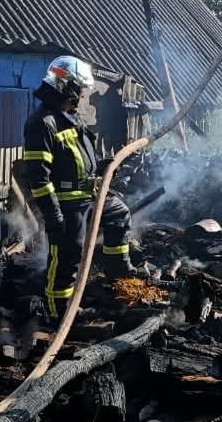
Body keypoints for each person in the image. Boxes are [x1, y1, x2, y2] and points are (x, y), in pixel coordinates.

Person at [23, 55, 137, 320]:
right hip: (67, 203)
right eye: (82, 89)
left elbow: (79, 160)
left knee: (119, 214)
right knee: (67, 254)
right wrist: (54, 217)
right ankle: (59, 313)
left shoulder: (69, 119)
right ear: (68, 87)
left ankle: (118, 271)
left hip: (90, 196)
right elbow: (38, 177)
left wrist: (104, 166)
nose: (85, 95)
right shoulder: (42, 124)